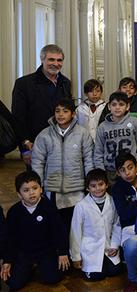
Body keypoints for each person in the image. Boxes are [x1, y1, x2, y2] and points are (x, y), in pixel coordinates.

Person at [32, 98, 94, 239]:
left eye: (65, 111)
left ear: (73, 114)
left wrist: (90, 183)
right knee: (56, 226)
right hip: (53, 189)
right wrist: (39, 185)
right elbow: (37, 162)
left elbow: (89, 160)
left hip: (77, 188)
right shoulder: (44, 135)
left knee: (77, 226)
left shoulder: (82, 134)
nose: (60, 114)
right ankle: (60, 254)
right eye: (57, 111)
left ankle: (75, 255)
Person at [1, 171, 70, 290]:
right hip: (24, 252)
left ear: (41, 189)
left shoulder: (49, 207)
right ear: (19, 194)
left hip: (46, 251)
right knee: (13, 283)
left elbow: (60, 231)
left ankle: (43, 266)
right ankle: (28, 268)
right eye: (26, 190)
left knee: (53, 278)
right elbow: (11, 238)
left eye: (35, 188)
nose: (31, 193)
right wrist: (8, 260)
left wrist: (62, 252)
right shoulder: (14, 212)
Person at [11, 44, 72, 167]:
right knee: (37, 184)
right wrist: (25, 146)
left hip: (62, 145)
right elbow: (18, 117)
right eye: (51, 59)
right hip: (34, 145)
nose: (56, 63)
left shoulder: (66, 83)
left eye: (59, 60)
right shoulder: (24, 84)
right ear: (42, 59)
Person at [70, 169, 122, 281]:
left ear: (107, 184)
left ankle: (105, 261)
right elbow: (75, 232)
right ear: (87, 188)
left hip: (108, 246)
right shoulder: (81, 206)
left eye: (101, 184)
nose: (98, 188)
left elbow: (117, 225)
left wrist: (115, 245)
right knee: (96, 276)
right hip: (90, 248)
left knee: (115, 271)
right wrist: (76, 256)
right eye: (93, 186)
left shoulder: (113, 201)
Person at [94, 92, 137, 183]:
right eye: (114, 105)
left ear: (127, 106)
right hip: (110, 171)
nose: (117, 107)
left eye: (121, 104)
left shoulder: (135, 122)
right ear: (109, 107)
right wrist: (101, 171)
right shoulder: (102, 126)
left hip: (130, 169)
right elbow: (98, 150)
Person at [111, 152, 137, 246]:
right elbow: (124, 214)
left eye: (130, 168)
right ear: (118, 173)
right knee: (132, 247)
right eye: (122, 170)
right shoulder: (117, 188)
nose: (127, 173)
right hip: (129, 228)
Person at [76, 79, 106, 143]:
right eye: (91, 91)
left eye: (98, 91)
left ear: (101, 92)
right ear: (86, 93)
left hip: (102, 141)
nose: (95, 94)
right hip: (84, 141)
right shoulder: (80, 109)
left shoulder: (106, 108)